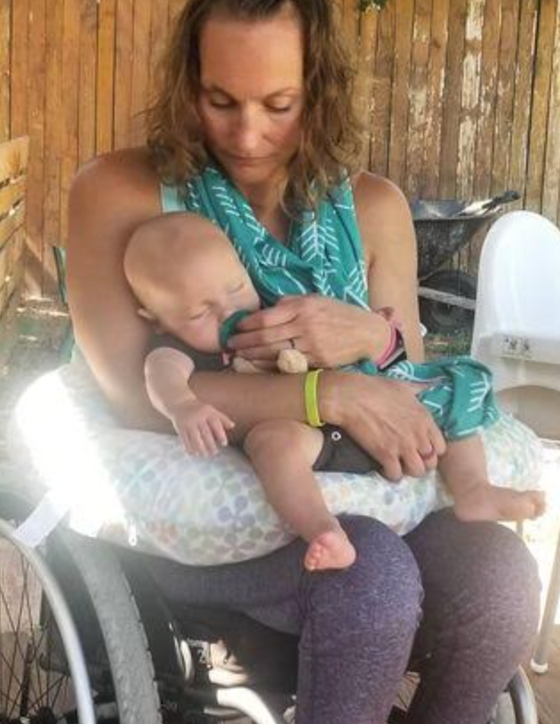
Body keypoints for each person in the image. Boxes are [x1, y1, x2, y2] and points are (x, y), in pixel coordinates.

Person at [66, 0, 541, 722]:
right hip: (210, 515)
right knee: (369, 579)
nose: (247, 133)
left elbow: (404, 384)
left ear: (319, 92)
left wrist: (370, 340)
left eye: (279, 104)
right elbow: (134, 396)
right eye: (219, 99)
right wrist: (327, 396)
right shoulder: (120, 193)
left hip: (367, 488)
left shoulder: (375, 207)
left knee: (503, 579)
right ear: (184, 84)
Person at [123, 211, 545, 571]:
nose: (228, 311)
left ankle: (473, 490)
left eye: (235, 288)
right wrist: (184, 407)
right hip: (308, 437)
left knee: (448, 394)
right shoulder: (174, 347)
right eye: (199, 312)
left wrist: (374, 330)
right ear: (157, 319)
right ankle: (323, 531)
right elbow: (159, 378)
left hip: (368, 419)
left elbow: (332, 341)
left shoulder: (269, 313)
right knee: (272, 442)